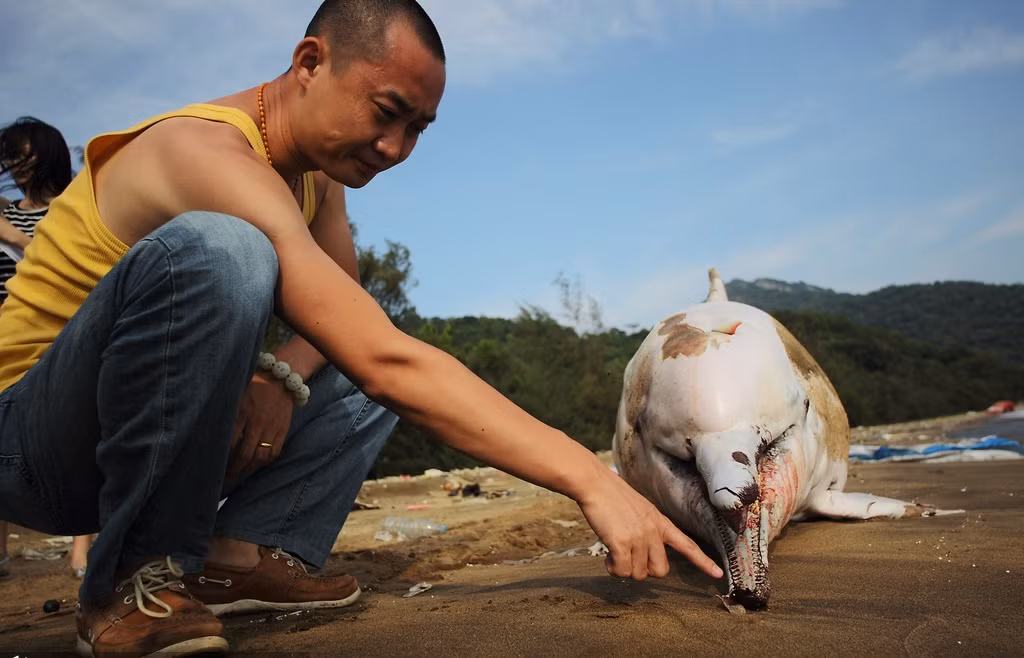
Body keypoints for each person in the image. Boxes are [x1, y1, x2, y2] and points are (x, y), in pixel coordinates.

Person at [0, 1, 722, 655]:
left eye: (417, 129)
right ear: (310, 62)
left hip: (141, 440)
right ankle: (133, 577)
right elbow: (386, 362)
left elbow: (350, 313)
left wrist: (280, 377)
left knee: (349, 352)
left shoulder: (317, 177)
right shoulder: (202, 151)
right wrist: (590, 478)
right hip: (31, 447)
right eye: (386, 112)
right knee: (227, 252)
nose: (395, 148)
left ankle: (241, 556)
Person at [0, 117, 93, 581]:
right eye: (10, 157)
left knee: (81, 428)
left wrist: (12, 235)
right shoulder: (5, 210)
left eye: (25, 154)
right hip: (7, 330)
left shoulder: (76, 203)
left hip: (64, 330)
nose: (17, 165)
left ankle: (82, 550)